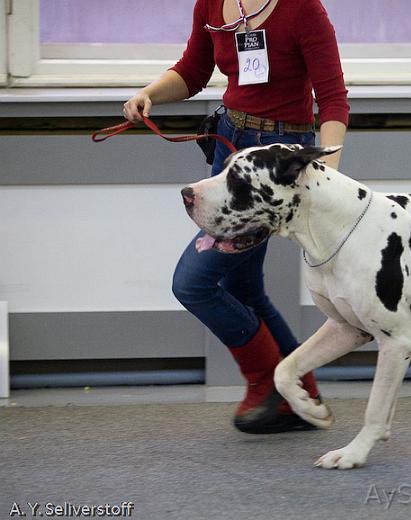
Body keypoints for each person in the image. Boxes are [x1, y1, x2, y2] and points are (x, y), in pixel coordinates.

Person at [123, 0, 349, 433]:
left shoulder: (304, 9)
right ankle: (300, 393)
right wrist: (148, 94)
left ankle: (268, 380)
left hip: (274, 166)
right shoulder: (211, 3)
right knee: (241, 285)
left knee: (193, 282)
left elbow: (333, 97)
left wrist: (326, 173)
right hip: (230, 145)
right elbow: (192, 71)